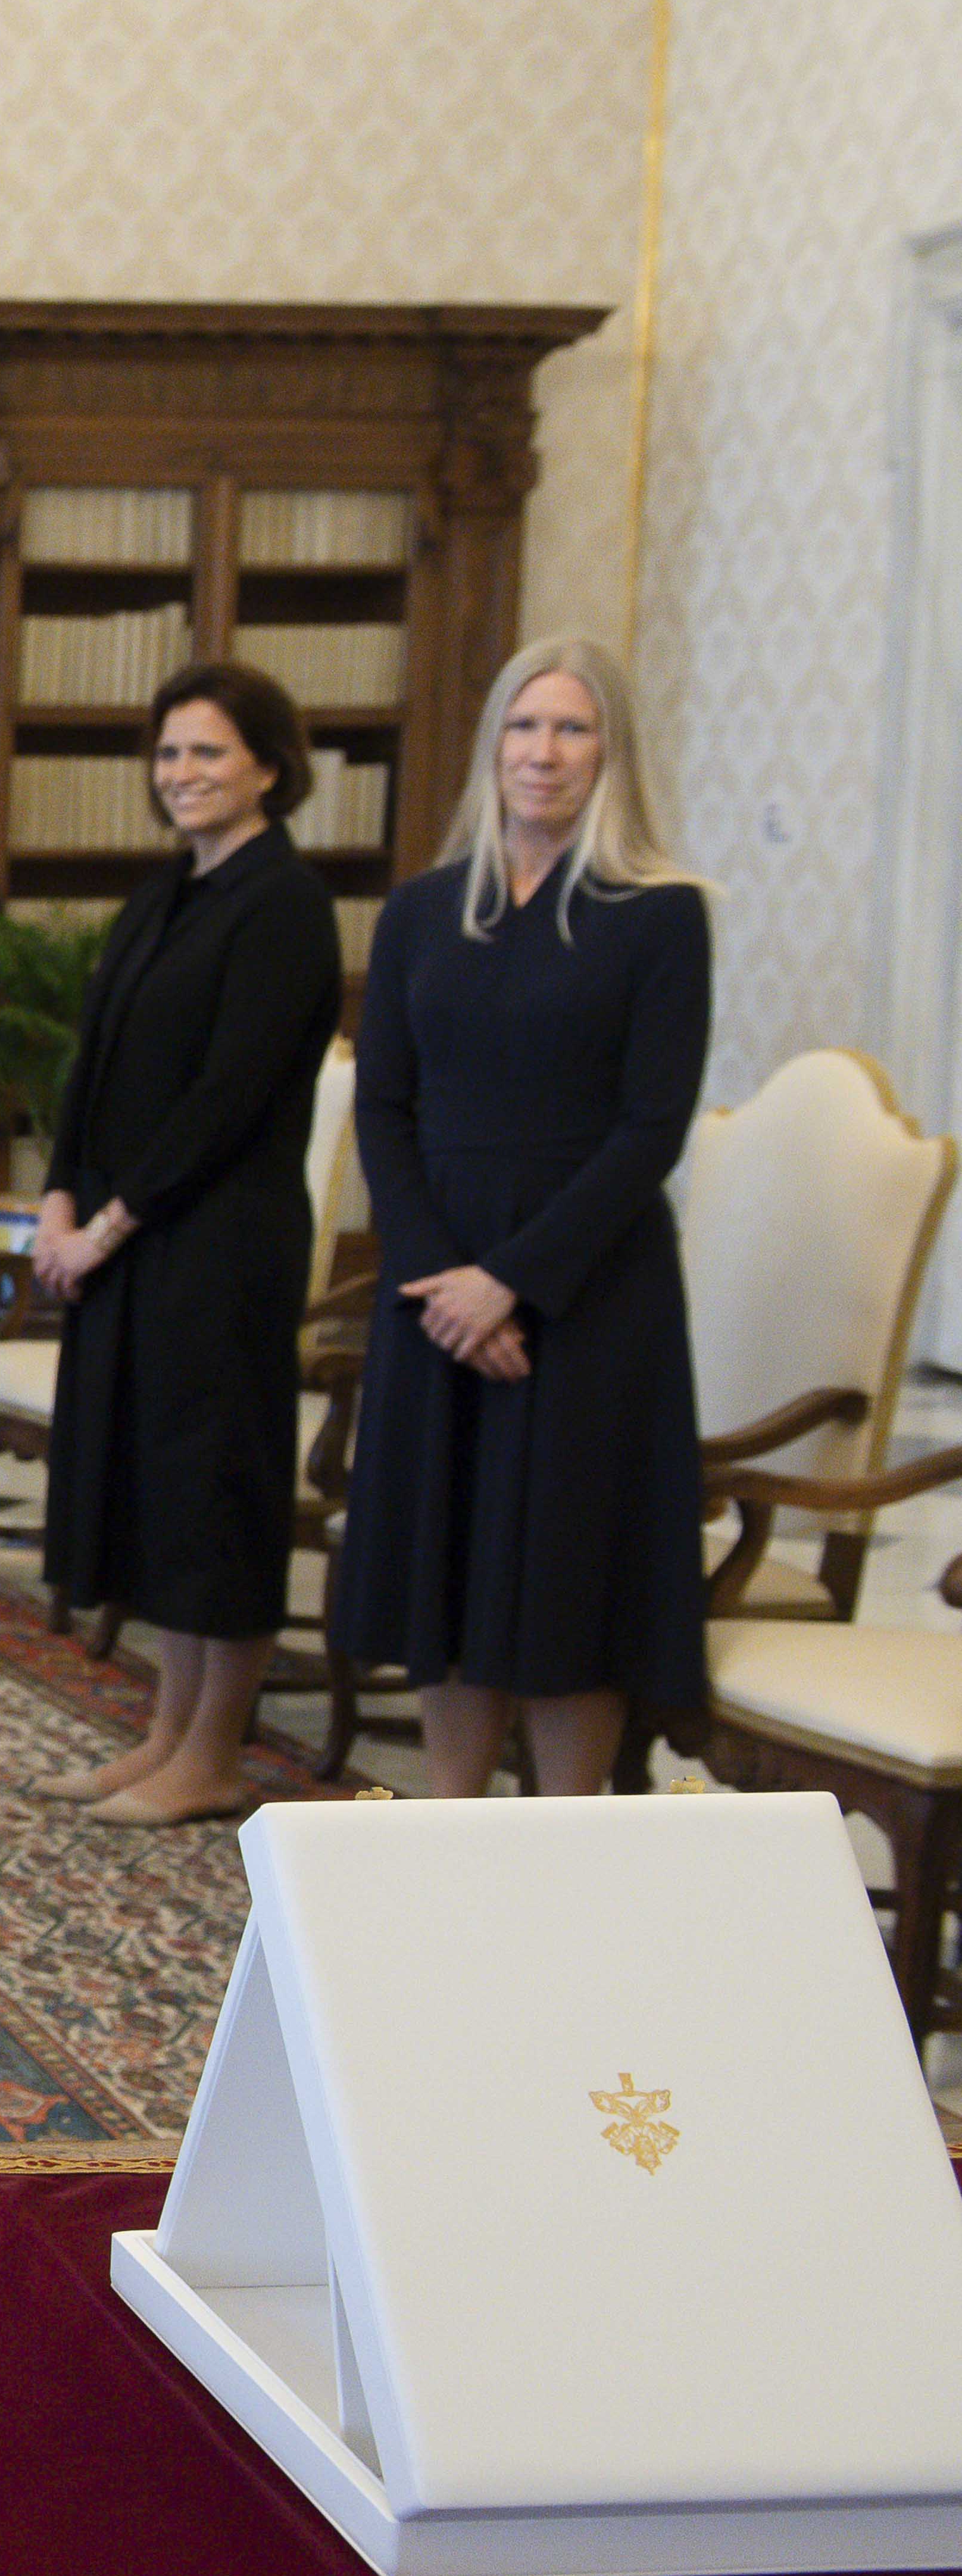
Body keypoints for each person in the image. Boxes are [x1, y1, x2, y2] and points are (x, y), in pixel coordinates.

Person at [328, 638, 711, 1793]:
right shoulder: (420, 910)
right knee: (443, 1567)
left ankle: (566, 1838)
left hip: (586, 1289)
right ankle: (451, 1825)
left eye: (572, 728)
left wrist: (511, 1282)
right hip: (434, 1279)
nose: (544, 751)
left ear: (611, 753)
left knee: (563, 1577)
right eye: (525, 725)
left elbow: (652, 1126)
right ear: (493, 745)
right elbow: (383, 1105)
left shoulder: (661, 914)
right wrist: (439, 1275)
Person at [23, 664, 346, 1827]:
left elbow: (227, 1097)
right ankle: (165, 1735)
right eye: (169, 753)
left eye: (208, 751)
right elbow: (92, 1063)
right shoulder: (166, 891)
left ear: (269, 764)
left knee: (215, 1500)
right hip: (126, 1243)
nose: (183, 773)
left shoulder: (285, 902)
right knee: (155, 1494)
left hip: (220, 1247)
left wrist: (108, 1225)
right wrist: (57, 1198)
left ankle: (214, 1756)